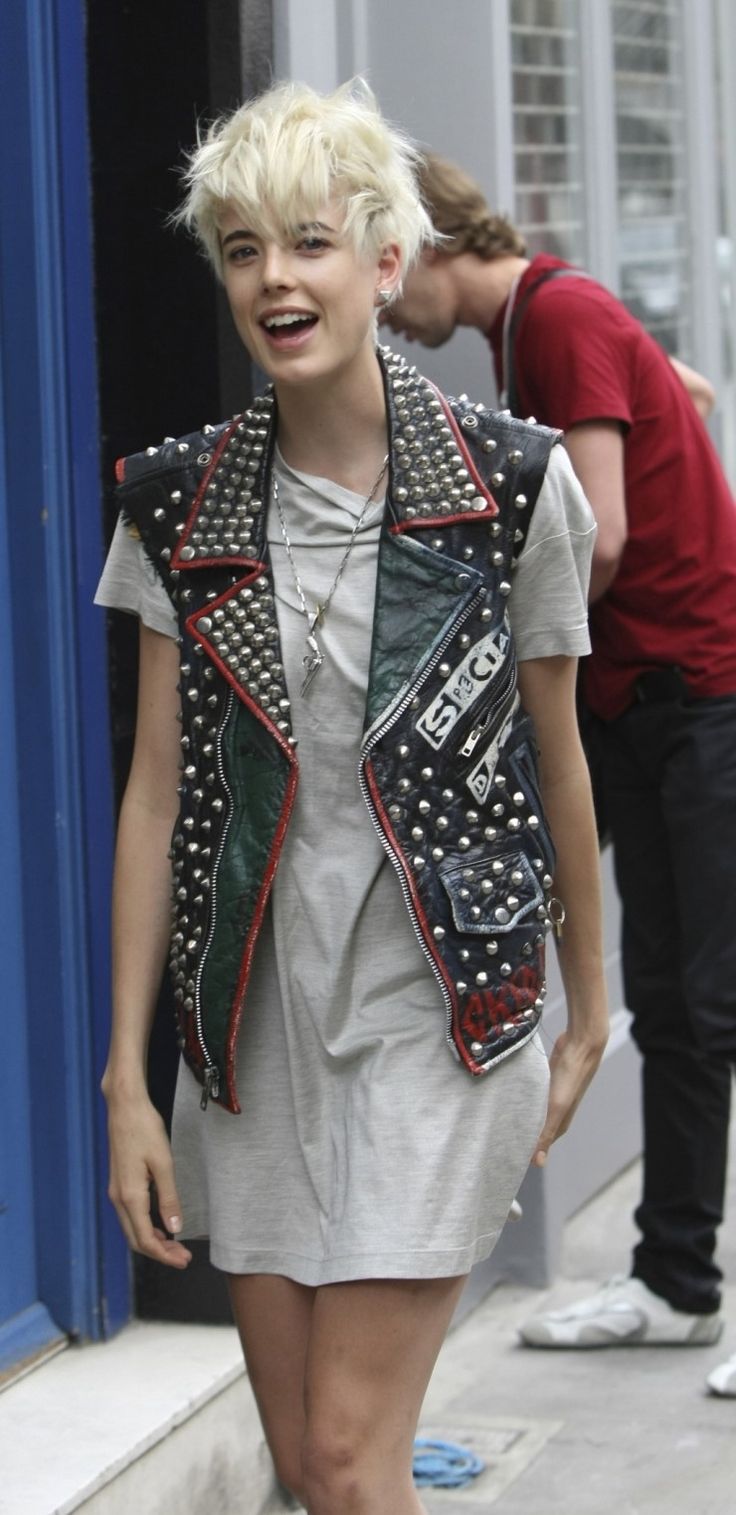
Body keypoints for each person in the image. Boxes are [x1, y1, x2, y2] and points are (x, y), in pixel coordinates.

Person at [95, 82, 608, 1515]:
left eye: (309, 242)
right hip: (249, 1027)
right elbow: (154, 794)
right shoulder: (177, 504)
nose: (276, 278)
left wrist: (592, 1004)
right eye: (244, 248)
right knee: (316, 1475)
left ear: (387, 262)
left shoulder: (511, 486)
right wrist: (127, 1079)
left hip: (441, 1014)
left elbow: (559, 755)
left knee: (343, 1458)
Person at [384, 149, 736, 1397]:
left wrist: (487, 663)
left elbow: (604, 536)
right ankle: (675, 1286)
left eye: (389, 275)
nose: (387, 311)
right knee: (672, 1007)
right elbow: (683, 390)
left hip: (704, 695)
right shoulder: (537, 327)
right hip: (644, 706)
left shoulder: (560, 314)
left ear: (430, 242)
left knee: (718, 1001)